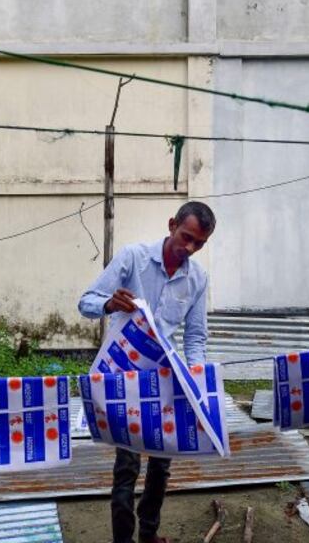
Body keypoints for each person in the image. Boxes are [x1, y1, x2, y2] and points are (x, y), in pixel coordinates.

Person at [78, 201, 216, 543]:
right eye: (186, 237)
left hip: (165, 383)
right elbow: (86, 302)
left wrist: (196, 374)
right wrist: (109, 303)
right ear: (172, 225)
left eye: (199, 243)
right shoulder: (132, 258)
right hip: (124, 380)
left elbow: (195, 337)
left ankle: (149, 534)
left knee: (161, 466)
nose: (189, 248)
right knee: (127, 467)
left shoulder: (197, 278)